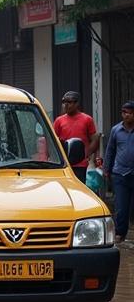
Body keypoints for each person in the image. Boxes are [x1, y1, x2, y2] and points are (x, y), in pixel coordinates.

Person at [103, 100, 134, 245]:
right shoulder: (116, 130)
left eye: (129, 113)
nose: (126, 115)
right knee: (121, 207)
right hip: (120, 174)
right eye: (124, 112)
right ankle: (120, 234)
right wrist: (106, 169)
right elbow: (110, 151)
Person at [53, 91, 101, 184]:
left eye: (69, 102)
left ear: (77, 103)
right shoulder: (59, 121)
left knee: (79, 189)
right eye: (64, 102)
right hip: (64, 163)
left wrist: (86, 154)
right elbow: (53, 140)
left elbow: (94, 139)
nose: (66, 105)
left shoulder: (87, 119)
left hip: (80, 164)